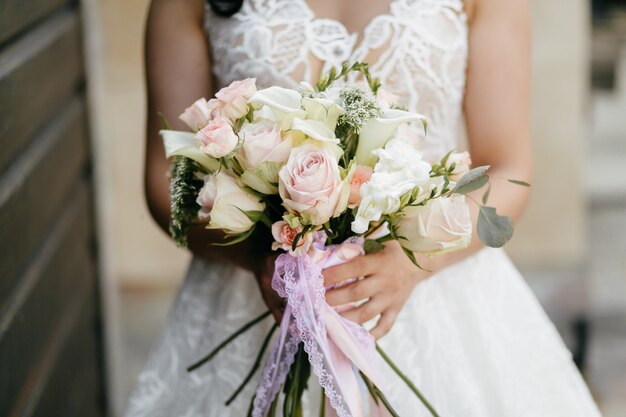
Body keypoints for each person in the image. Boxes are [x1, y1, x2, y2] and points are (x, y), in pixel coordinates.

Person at [127, 0, 603, 415]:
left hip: (436, 297)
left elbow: (508, 168)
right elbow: (165, 180)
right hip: (254, 298)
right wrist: (259, 259)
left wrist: (417, 261)